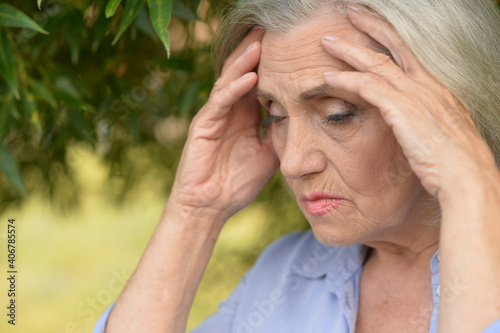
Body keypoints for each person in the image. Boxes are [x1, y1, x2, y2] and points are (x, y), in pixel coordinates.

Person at [93, 0, 500, 332]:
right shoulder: (287, 272)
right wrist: (195, 212)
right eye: (275, 114)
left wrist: (470, 188)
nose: (291, 163)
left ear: (451, 107)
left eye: (338, 113)